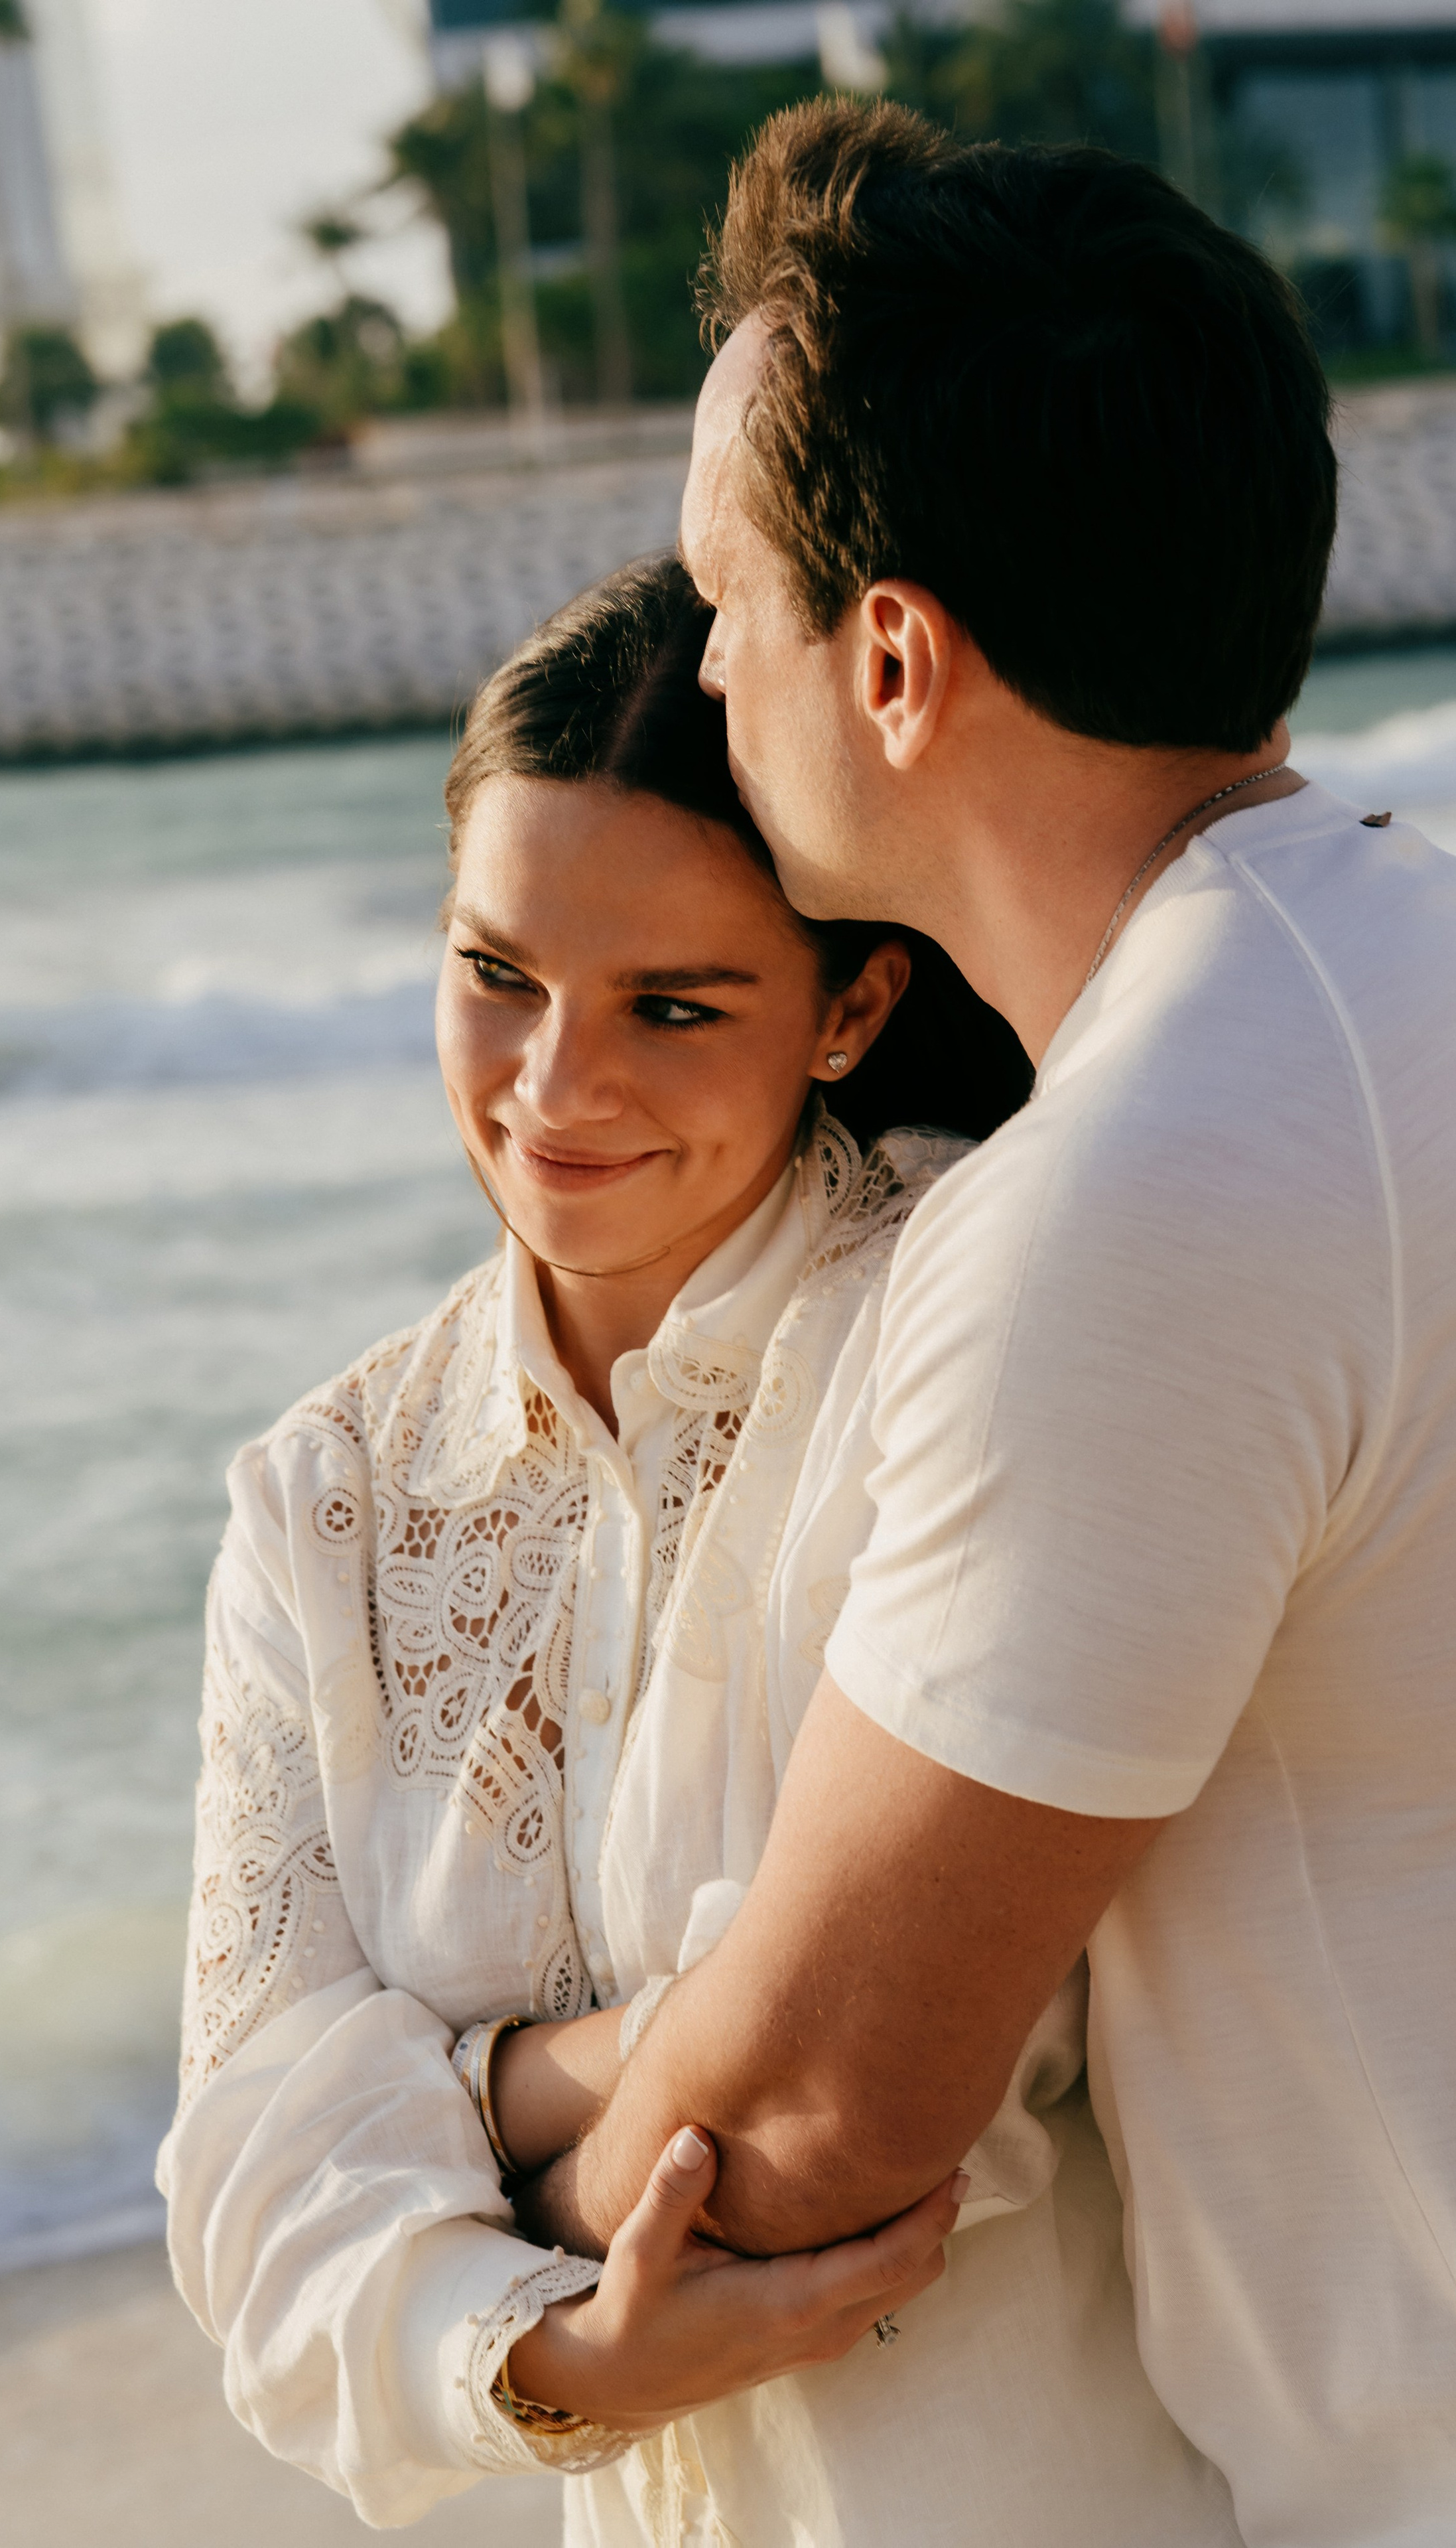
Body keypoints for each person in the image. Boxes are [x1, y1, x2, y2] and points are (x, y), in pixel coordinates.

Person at [507, 101, 1456, 2548]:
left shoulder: (1133, 1198)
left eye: (731, 596)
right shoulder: (1396, 984)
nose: (703, 661)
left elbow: (812, 2125)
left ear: (896, 660)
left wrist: (513, 2086)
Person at [158, 556, 1244, 2543]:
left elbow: (947, 2084)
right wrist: (558, 2359)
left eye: (672, 1004)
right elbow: (243, 2172)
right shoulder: (323, 1503)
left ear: (854, 1007)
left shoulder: (978, 1319)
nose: (554, 1090)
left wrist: (462, 2111)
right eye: (496, 974)